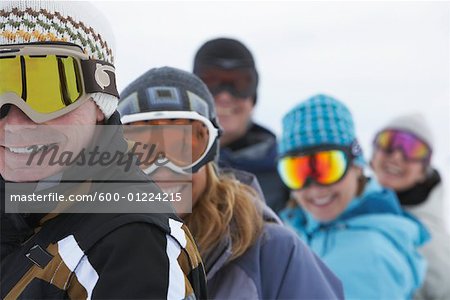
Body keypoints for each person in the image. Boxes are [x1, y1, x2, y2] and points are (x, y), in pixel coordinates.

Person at [0, 2, 207, 299]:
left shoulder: (132, 245)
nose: (14, 123)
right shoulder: (20, 211)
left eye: (46, 89)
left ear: (100, 102)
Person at [118, 66, 345, 299]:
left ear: (209, 154)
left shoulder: (272, 253)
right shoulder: (98, 253)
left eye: (183, 148)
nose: (164, 171)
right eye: (142, 151)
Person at [278, 94, 429, 299]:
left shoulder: (369, 257)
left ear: (356, 165)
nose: (315, 188)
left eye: (328, 166)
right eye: (297, 171)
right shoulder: (303, 229)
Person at [193, 37, 290, 212]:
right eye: (211, 83)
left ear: (252, 98)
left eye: (239, 83)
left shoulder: (287, 173)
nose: (225, 96)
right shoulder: (168, 167)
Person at [371, 113, 450, 300]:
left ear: (424, 171)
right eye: (388, 143)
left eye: (412, 149)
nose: (397, 156)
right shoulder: (343, 211)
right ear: (373, 157)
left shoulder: (430, 240)